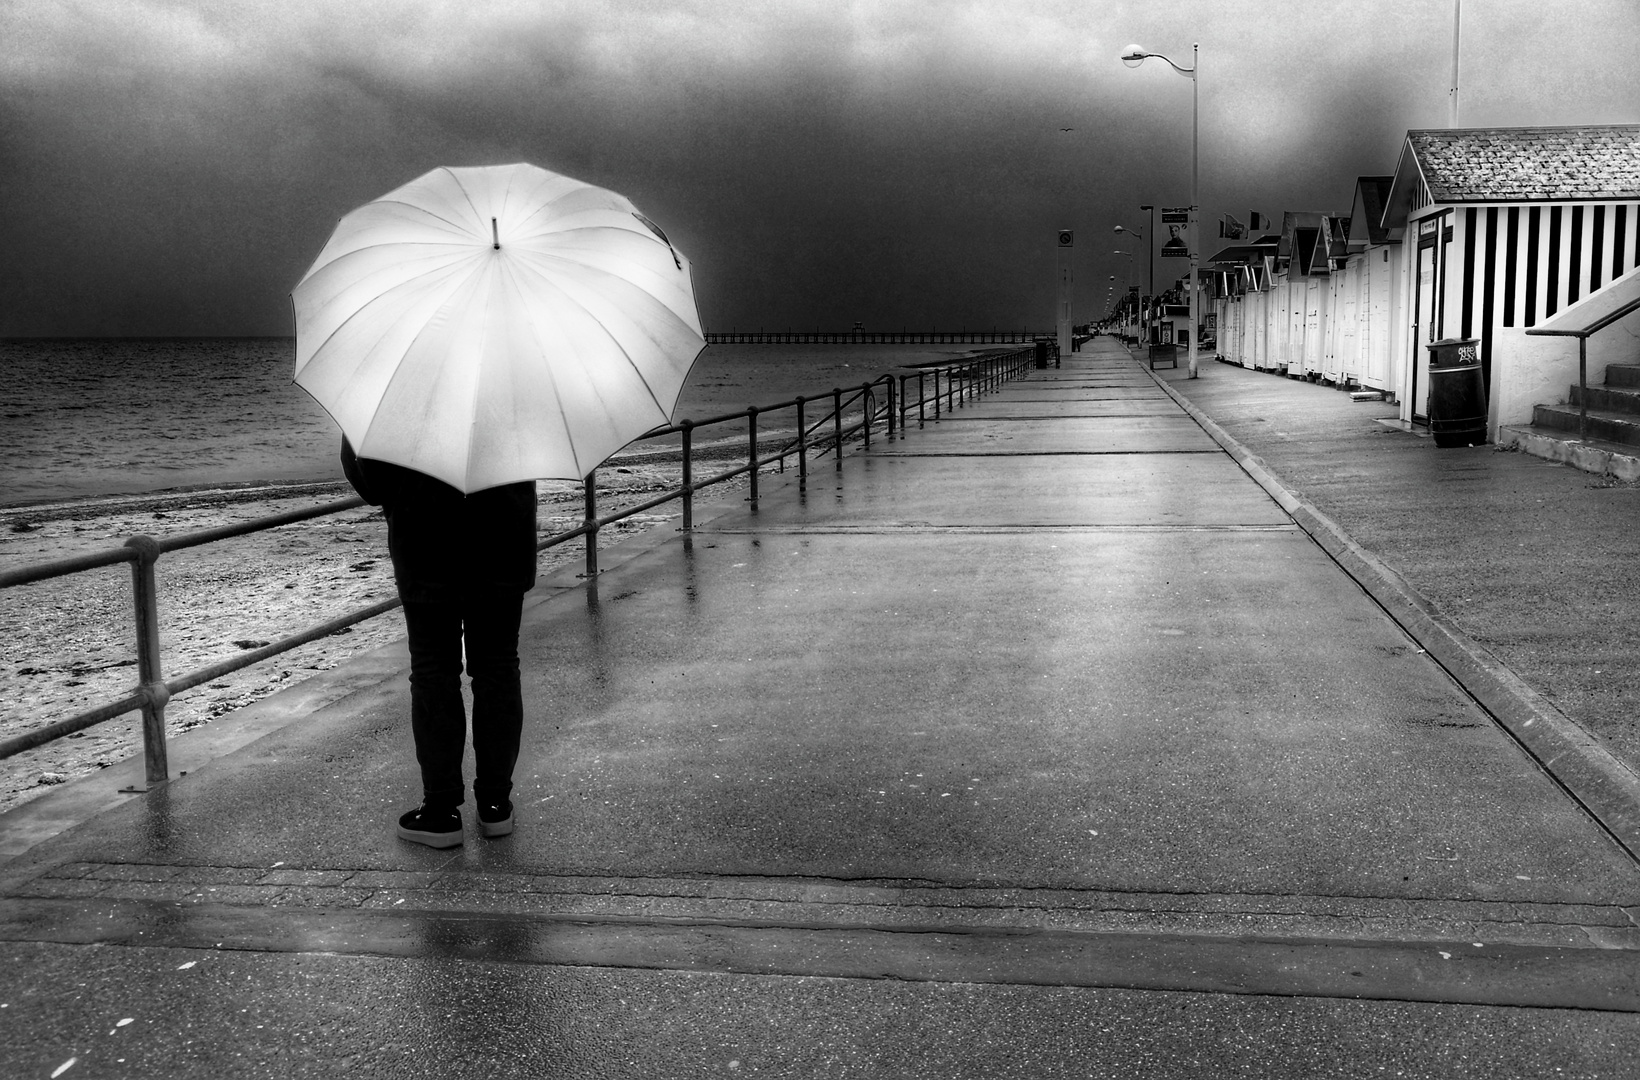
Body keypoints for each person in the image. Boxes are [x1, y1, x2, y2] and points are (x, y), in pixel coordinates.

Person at [341, 438, 538, 848]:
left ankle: (441, 810)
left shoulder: (396, 383)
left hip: (424, 538)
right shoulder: (518, 381)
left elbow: (368, 479)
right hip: (503, 535)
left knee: (434, 671)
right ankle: (496, 806)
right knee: (498, 666)